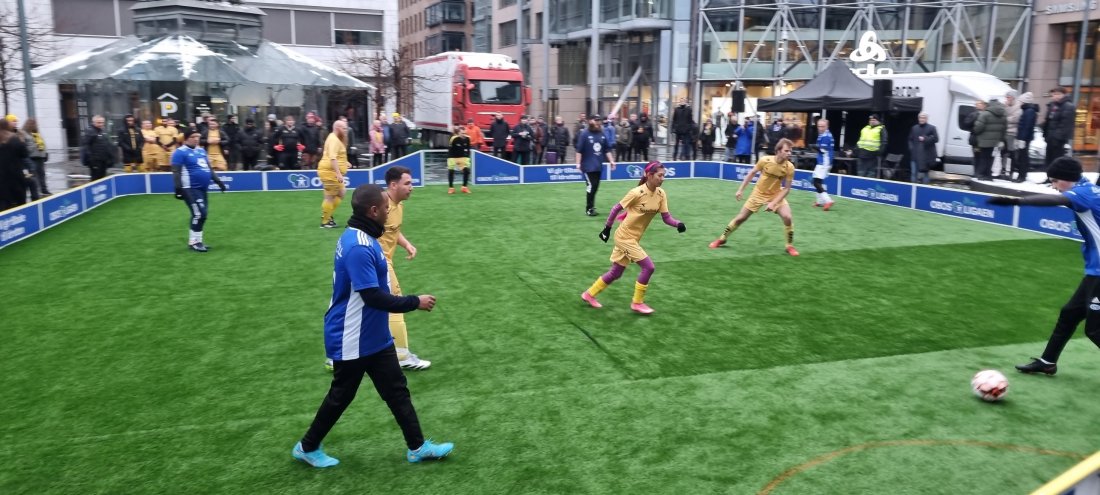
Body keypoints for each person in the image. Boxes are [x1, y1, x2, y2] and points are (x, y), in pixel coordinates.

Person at [292, 184, 453, 469]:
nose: (390, 211)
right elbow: (373, 297)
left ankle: (417, 447)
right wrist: (415, 301)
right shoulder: (359, 247)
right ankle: (307, 446)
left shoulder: (363, 237)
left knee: (396, 390)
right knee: (341, 395)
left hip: (374, 334)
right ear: (373, 211)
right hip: (351, 335)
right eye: (385, 207)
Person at [987, 158, 1100, 376]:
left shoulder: (1082, 193)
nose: (1054, 185)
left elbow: (1053, 200)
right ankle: (1048, 362)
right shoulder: (1088, 186)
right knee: (1069, 314)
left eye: (1055, 180)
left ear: (1067, 179)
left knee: (1095, 329)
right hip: (1095, 271)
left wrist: (1017, 202)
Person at [581, 161, 686, 315]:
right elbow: (616, 208)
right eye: (659, 175)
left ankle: (589, 294)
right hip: (624, 237)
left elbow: (666, 218)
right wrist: (607, 229)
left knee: (616, 273)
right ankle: (637, 303)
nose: (663, 178)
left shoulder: (661, 194)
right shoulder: (636, 193)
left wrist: (678, 224)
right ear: (649, 175)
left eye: (664, 175)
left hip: (633, 239)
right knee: (649, 267)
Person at [379, 166, 432, 369]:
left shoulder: (398, 205)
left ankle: (337, 355)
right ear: (393, 185)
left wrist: (407, 244)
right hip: (379, 263)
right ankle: (402, 357)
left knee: (363, 309)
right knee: (395, 305)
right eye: (408, 183)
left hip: (381, 262)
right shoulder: (381, 206)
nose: (412, 187)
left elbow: (394, 231)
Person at [709, 138, 799, 256]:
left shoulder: (790, 167)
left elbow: (787, 189)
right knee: (740, 218)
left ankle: (789, 246)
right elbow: (751, 173)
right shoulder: (765, 160)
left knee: (788, 217)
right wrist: (740, 190)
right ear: (778, 151)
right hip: (758, 194)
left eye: (790, 151)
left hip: (776, 194)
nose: (789, 153)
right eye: (786, 151)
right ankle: (722, 238)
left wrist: (773, 203)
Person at [171, 131, 226, 252]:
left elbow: (209, 169)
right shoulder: (180, 152)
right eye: (193, 137)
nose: (196, 139)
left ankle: (196, 241)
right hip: (190, 188)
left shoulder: (201, 151)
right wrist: (178, 189)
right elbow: (176, 172)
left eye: (198, 137)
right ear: (186, 139)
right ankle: (195, 242)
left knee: (201, 214)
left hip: (202, 189)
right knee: (199, 214)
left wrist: (219, 182)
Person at [575, 115, 617, 216]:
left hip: (598, 166)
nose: (598, 123)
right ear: (590, 121)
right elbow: (579, 150)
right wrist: (577, 164)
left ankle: (592, 207)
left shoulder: (602, 134)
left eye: (599, 121)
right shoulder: (584, 134)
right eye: (596, 120)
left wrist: (611, 161)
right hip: (587, 166)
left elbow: (607, 149)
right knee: (591, 186)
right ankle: (588, 209)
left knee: (595, 187)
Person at [319, 120, 350, 228]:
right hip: (329, 172)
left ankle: (328, 214)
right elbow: (332, 157)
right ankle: (325, 221)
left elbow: (332, 155)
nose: (346, 131)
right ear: (337, 128)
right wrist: (338, 173)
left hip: (330, 171)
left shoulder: (334, 138)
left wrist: (345, 162)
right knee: (329, 197)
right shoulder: (334, 140)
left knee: (342, 192)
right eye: (344, 128)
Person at [972, 98, 1007, 181]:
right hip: (995, 141)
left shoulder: (985, 114)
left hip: (984, 141)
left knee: (983, 158)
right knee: (991, 158)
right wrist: (1001, 139)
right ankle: (988, 175)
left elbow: (978, 128)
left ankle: (981, 175)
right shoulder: (1003, 115)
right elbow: (1004, 129)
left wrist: (975, 131)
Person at [1042, 87, 1075, 170]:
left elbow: (1066, 125)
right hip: (1050, 137)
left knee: (1057, 160)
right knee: (1049, 159)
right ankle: (1049, 177)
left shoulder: (1068, 106)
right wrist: (1045, 135)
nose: (1055, 96)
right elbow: (1048, 121)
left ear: (1063, 95)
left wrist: (1056, 137)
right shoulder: (1052, 105)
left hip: (1058, 139)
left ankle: (1056, 178)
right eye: (1054, 94)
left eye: (1058, 94)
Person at [0, 119, 28, 211]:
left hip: (2, 175)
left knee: (4, 201)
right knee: (20, 199)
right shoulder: (15, 138)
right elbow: (24, 154)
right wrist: (22, 140)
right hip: (15, 173)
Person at [907, 113, 939, 184]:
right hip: (915, 156)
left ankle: (924, 190)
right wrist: (911, 148)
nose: (922, 119)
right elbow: (910, 139)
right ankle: (913, 190)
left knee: (925, 174)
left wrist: (925, 138)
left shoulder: (932, 128)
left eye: (923, 118)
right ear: (918, 118)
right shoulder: (914, 128)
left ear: (927, 119)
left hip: (926, 156)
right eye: (920, 117)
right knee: (913, 173)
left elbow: (936, 139)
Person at [1015, 92, 1039, 183]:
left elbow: (1027, 126)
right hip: (1024, 137)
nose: (1019, 102)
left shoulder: (1029, 111)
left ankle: (1022, 176)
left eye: (1020, 101)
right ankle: (1021, 175)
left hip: (1024, 138)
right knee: (1022, 156)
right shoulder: (1028, 110)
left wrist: (1022, 139)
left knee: (1023, 157)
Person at [811, 119, 835, 210]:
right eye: (819, 126)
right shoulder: (823, 134)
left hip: (824, 162)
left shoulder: (826, 136)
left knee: (816, 182)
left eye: (822, 126)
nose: (820, 128)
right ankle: (820, 201)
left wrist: (814, 147)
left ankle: (828, 200)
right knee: (817, 182)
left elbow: (823, 150)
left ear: (827, 126)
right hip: (823, 161)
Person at [84, 115, 115, 180]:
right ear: (93, 122)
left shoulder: (103, 131)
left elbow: (107, 145)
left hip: (103, 160)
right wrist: (91, 160)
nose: (101, 124)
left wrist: (111, 157)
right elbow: (86, 146)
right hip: (95, 161)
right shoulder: (90, 132)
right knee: (95, 179)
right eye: (99, 122)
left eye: (102, 122)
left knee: (102, 178)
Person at [23, 118, 49, 196]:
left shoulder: (37, 133)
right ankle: (35, 192)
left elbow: (42, 143)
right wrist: (34, 146)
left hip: (40, 157)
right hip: (32, 157)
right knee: (34, 175)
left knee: (42, 174)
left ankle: (44, 189)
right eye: (35, 124)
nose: (36, 125)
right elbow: (24, 147)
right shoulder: (25, 134)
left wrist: (45, 153)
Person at [1002, 91, 1021, 180]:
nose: (1007, 99)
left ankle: (1011, 171)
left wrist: (1006, 119)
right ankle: (1003, 170)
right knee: (1003, 152)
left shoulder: (1018, 107)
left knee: (1012, 153)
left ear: (1013, 98)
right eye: (1006, 97)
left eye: (1008, 97)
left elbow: (1015, 119)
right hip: (1004, 132)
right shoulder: (1005, 106)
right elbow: (1002, 117)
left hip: (1012, 133)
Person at [447, 124, 471, 194]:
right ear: (458, 133)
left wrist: (467, 157)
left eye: (464, 133)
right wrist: (450, 158)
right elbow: (450, 149)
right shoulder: (453, 138)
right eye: (462, 133)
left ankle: (464, 187)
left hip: (462, 157)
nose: (463, 135)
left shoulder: (468, 138)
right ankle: (451, 188)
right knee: (451, 171)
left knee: (467, 171)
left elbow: (468, 148)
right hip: (452, 156)